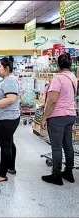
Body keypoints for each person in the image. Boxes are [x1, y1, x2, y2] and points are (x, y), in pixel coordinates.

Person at [41, 53, 77, 186]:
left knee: (56, 147)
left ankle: (56, 175)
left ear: (58, 65)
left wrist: (44, 118)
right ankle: (69, 172)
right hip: (71, 115)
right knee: (68, 145)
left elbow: (52, 101)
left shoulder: (58, 79)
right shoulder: (73, 77)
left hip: (57, 116)